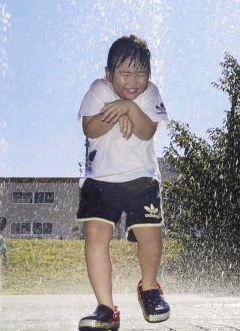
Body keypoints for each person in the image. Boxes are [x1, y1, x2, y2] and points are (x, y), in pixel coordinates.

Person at [76, 35, 170, 331]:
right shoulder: (97, 89)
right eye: (125, 73)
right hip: (100, 179)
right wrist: (116, 111)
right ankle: (106, 307)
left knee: (149, 234)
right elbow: (89, 128)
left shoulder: (149, 93)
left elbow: (147, 132)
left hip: (141, 176)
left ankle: (150, 288)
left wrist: (129, 108)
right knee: (95, 236)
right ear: (108, 73)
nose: (134, 80)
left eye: (140, 73)